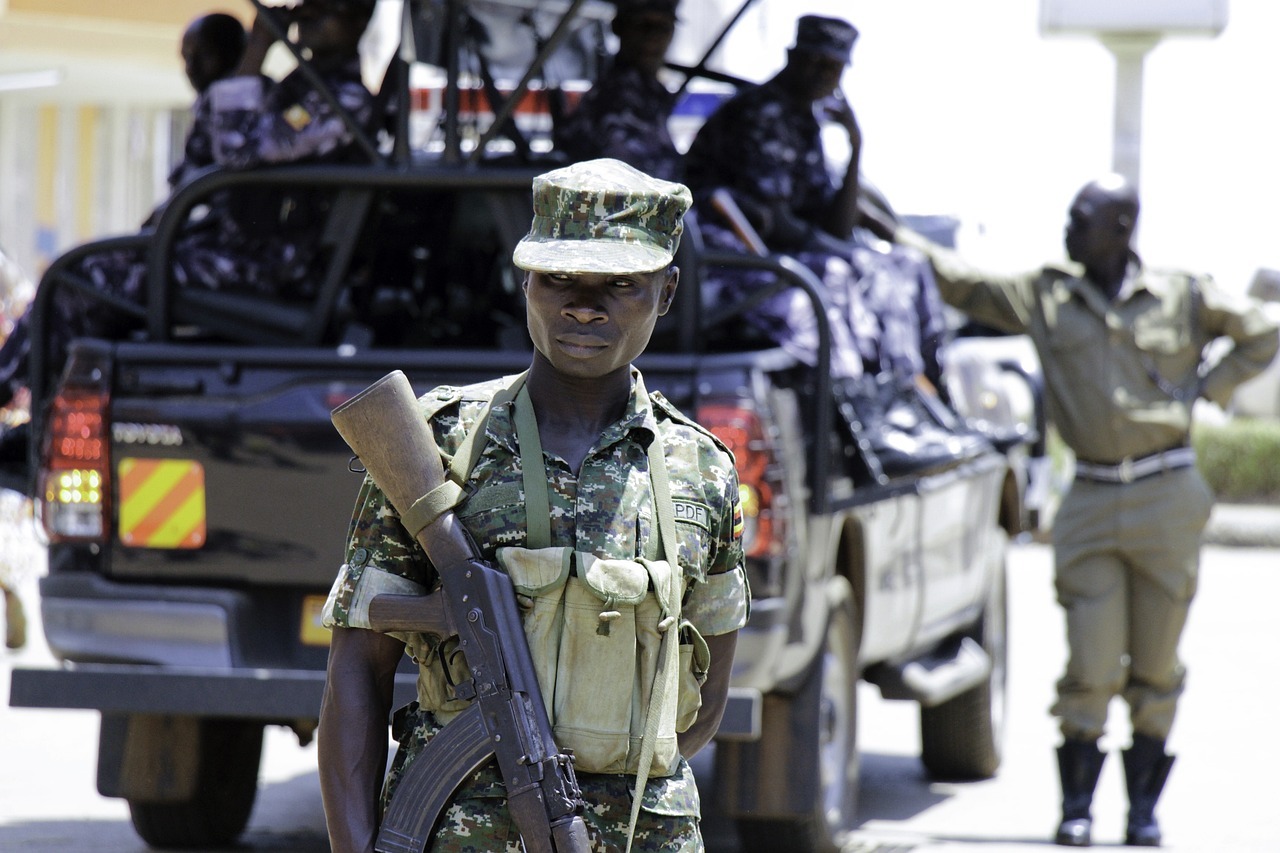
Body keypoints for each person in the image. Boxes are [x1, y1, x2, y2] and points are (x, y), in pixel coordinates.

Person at [317, 158, 749, 852]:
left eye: (621, 285)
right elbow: (356, 667)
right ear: (526, 283)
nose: (584, 305)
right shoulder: (441, 445)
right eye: (559, 279)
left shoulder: (702, 469)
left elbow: (705, 697)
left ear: (666, 291)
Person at [885, 174, 1280, 847]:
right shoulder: (1048, 293)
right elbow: (964, 285)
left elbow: (1263, 330)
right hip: (1092, 498)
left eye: (1082, 217)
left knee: (1156, 664)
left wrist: (1207, 387)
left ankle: (1143, 811)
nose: (1069, 228)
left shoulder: (1182, 294)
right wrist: (890, 231)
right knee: (1090, 665)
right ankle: (1077, 809)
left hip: (1167, 494)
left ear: (1121, 228)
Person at [0, 0, 377, 414]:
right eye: (305, 6)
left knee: (83, 280)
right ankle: (33, 403)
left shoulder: (342, 99)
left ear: (358, 19)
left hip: (268, 266)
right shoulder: (305, 87)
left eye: (323, 9)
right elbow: (213, 153)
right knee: (79, 273)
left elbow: (238, 150)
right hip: (241, 251)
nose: (306, 15)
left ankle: (13, 392)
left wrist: (257, 49)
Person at [555, 0, 682, 182]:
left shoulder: (649, 91)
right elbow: (626, 180)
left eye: (663, 28)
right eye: (643, 26)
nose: (653, 37)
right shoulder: (614, 95)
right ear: (619, 27)